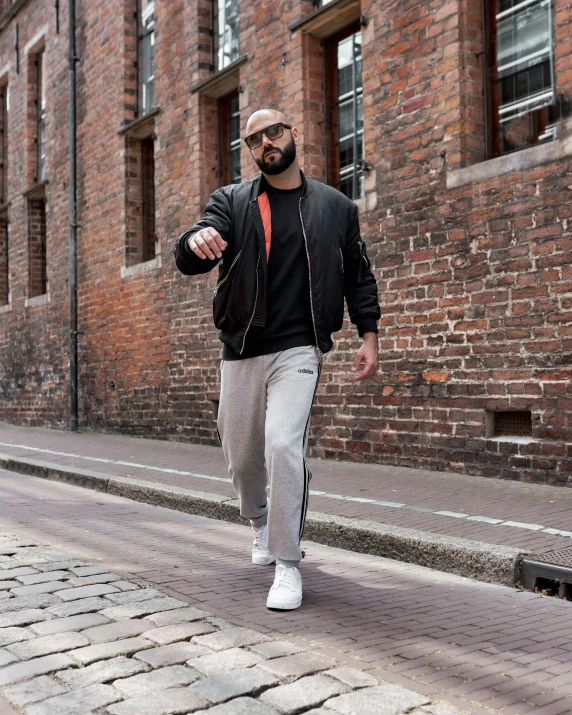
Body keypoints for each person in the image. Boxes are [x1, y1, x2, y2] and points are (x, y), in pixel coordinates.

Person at [174, 108, 380, 610]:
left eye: (274, 131)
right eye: (254, 138)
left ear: (293, 133)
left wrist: (368, 335)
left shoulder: (335, 207)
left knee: (283, 444)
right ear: (250, 150)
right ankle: (260, 523)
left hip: (299, 348)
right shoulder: (233, 201)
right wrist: (194, 241)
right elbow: (190, 252)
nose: (266, 142)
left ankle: (288, 565)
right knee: (244, 459)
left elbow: (358, 275)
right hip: (242, 348)